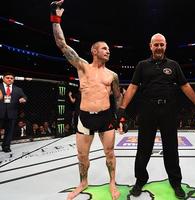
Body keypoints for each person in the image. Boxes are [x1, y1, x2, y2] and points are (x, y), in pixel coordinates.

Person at [117, 33, 195, 199]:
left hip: (169, 110)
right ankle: (140, 179)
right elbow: (133, 87)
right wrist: (122, 108)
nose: (158, 47)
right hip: (147, 109)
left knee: (171, 148)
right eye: (155, 44)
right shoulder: (142, 65)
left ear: (165, 46)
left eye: (161, 45)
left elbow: (185, 86)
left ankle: (176, 182)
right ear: (150, 46)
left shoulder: (173, 65)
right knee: (143, 148)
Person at [50, 1, 123, 199]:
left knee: (110, 153)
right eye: (104, 48)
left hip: (106, 117)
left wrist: (121, 118)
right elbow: (61, 45)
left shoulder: (113, 75)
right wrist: (55, 18)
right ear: (94, 51)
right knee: (82, 156)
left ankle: (112, 182)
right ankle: (83, 182)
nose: (108, 51)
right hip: (85, 118)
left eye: (109, 49)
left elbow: (118, 97)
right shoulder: (82, 67)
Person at [0, 72, 27, 152]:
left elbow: (24, 96)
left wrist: (23, 99)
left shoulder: (18, 89)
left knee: (9, 131)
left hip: (12, 113)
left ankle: (6, 146)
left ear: (13, 80)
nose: (9, 79)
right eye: (7, 77)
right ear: (3, 78)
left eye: (11, 78)